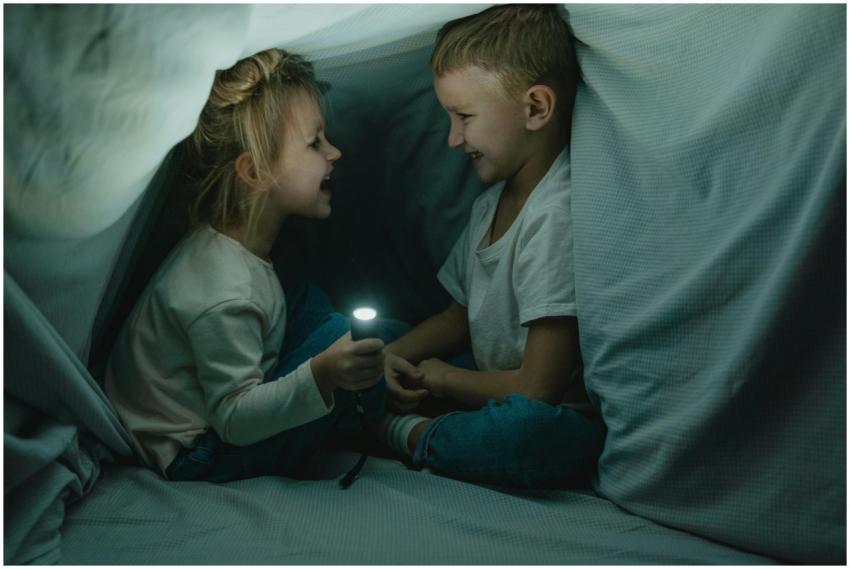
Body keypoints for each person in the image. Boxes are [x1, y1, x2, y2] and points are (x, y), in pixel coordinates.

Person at [105, 49, 389, 483]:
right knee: (336, 337)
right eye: (315, 143)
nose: (334, 152)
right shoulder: (222, 291)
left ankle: (383, 371)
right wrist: (323, 373)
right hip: (199, 450)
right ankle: (384, 415)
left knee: (314, 305)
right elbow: (234, 420)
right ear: (255, 172)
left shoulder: (239, 248)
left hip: (220, 407)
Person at [380, 4, 605, 488]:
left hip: (547, 413)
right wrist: (390, 356)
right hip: (481, 380)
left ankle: (404, 433)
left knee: (523, 434)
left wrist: (440, 379)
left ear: (535, 109)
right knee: (374, 335)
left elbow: (536, 388)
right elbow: (460, 315)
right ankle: (378, 399)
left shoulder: (554, 215)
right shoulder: (490, 204)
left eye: (464, 117)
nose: (453, 139)